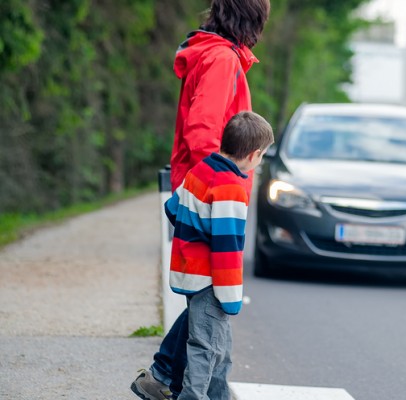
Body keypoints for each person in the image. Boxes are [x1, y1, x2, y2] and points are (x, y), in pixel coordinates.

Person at [131, 1, 269, 399]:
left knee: (204, 299)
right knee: (210, 299)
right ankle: (173, 381)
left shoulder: (215, 55)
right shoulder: (221, 60)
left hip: (202, 189)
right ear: (252, 19)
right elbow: (203, 132)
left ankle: (162, 377)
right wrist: (224, 187)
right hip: (212, 196)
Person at [164, 111, 273, 400]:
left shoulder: (200, 170)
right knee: (205, 348)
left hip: (189, 272)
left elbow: (173, 208)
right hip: (211, 282)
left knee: (220, 349)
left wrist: (194, 232)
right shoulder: (231, 189)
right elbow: (227, 249)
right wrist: (231, 297)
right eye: (261, 158)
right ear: (254, 154)